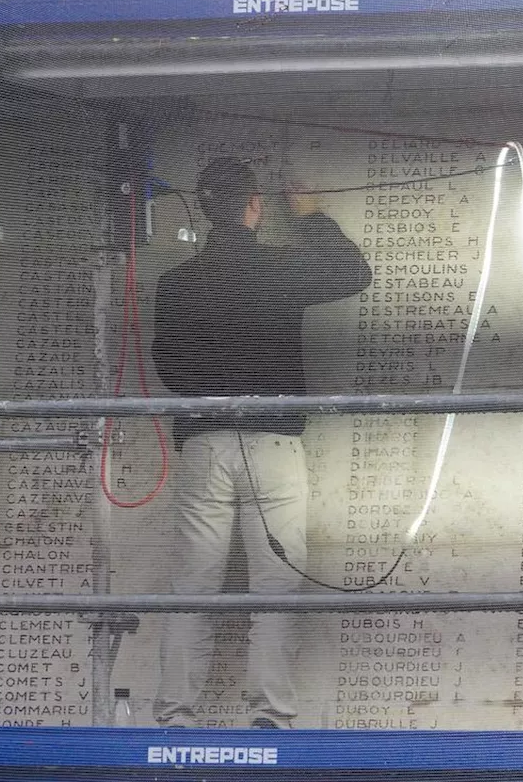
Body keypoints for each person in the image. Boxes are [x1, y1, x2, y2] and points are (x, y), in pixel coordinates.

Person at [150, 156, 372, 729]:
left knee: (194, 586)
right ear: (253, 207)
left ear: (205, 211)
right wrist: (312, 214)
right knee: (275, 585)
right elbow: (353, 273)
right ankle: (269, 714)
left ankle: (176, 714)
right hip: (272, 441)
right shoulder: (280, 268)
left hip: (205, 442)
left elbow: (170, 370)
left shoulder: (176, 282)